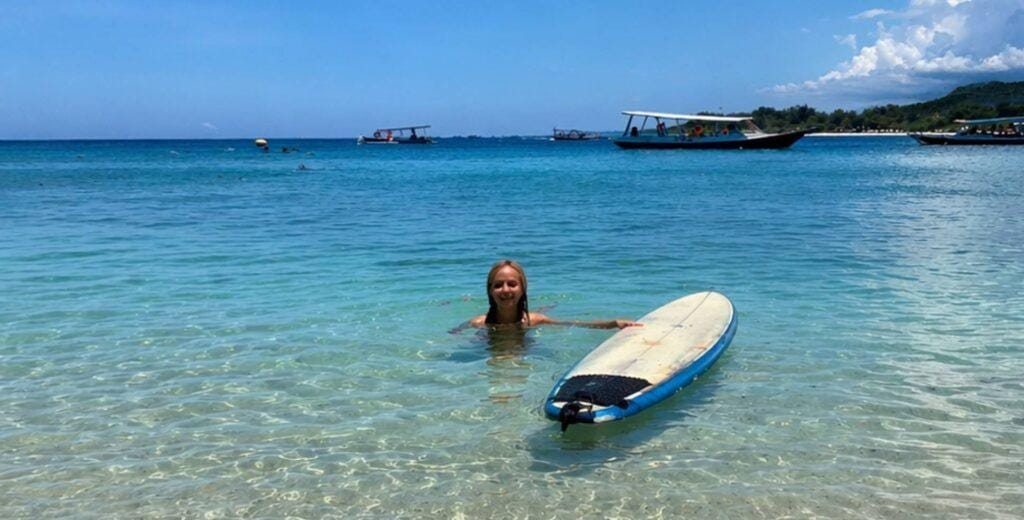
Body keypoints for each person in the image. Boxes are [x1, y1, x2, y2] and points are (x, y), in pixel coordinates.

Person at [460, 260, 642, 330]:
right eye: (498, 285)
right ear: (490, 291)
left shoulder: (534, 320)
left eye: (512, 284)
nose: (506, 290)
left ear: (523, 289)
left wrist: (614, 323)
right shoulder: (478, 324)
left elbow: (575, 324)